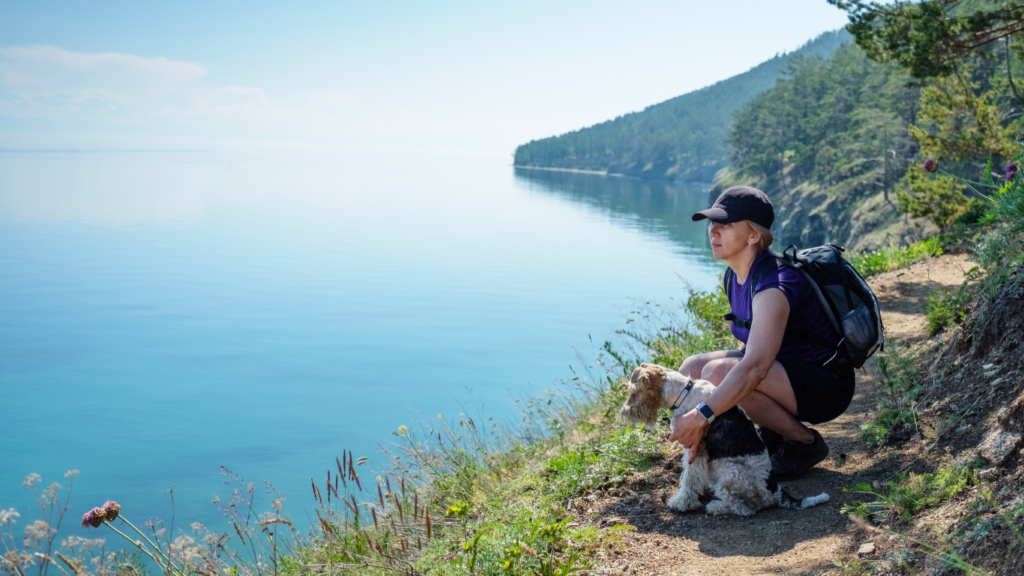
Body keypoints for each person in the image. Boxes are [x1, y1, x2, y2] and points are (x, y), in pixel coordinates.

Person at [667, 186, 855, 481]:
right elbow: (746, 342)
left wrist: (700, 414)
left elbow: (754, 367)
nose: (713, 231)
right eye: (711, 223)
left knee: (718, 372)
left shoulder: (774, 285)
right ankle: (745, 437)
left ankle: (803, 443)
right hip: (786, 374)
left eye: (725, 225)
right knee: (692, 368)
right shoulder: (735, 275)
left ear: (754, 235)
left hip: (826, 383)